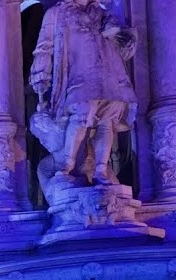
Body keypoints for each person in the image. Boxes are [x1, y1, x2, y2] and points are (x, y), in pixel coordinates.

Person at [29, 0, 138, 186]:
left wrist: (119, 34)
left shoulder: (103, 14)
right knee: (81, 113)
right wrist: (41, 73)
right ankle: (67, 163)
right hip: (78, 75)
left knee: (106, 122)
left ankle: (101, 169)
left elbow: (124, 46)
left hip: (108, 74)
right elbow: (44, 47)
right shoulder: (56, 13)